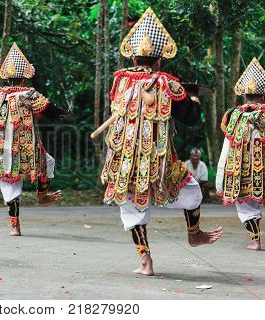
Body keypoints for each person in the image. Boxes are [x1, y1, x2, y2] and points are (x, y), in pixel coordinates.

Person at [99, 7, 223, 276]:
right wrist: (193, 98)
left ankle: (146, 262)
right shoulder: (168, 83)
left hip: (124, 163)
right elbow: (191, 118)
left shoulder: (120, 81)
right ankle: (194, 233)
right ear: (158, 60)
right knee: (192, 192)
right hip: (159, 163)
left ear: (133, 56)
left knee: (131, 208)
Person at [0, 43, 62, 236]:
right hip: (25, 149)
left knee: (9, 183)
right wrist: (66, 115)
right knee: (46, 162)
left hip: (1, 151)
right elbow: (51, 111)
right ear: (24, 77)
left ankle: (15, 226)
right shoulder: (28, 94)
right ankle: (42, 196)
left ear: (8, 78)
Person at [216, 57, 265, 251]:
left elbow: (226, 146)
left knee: (246, 207)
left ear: (245, 96)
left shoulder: (233, 115)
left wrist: (224, 175)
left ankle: (256, 241)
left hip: (242, 174)